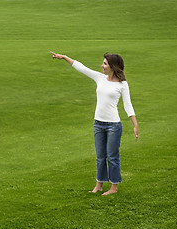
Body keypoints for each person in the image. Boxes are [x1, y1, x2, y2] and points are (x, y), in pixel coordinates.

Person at [50, 51, 139, 195]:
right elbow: (81, 67)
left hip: (113, 126)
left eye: (105, 63)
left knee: (112, 157)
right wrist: (65, 57)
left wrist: (135, 125)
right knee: (100, 156)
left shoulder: (122, 84)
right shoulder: (100, 78)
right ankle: (99, 184)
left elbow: (128, 105)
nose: (102, 65)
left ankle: (114, 187)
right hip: (98, 123)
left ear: (113, 66)